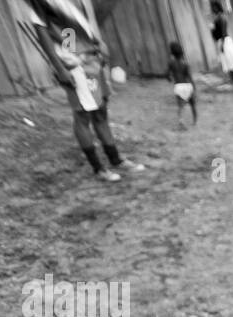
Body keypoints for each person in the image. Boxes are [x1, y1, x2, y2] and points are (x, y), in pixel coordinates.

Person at [24, 1, 145, 183]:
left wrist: (98, 43)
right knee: (83, 115)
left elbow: (73, 27)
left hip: (94, 60)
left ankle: (116, 159)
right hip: (76, 65)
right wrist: (61, 67)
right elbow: (43, 32)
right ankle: (98, 168)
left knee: (101, 112)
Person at [211, 2, 233, 85]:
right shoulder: (218, 18)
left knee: (230, 60)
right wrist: (212, 30)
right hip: (222, 41)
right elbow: (215, 35)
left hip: (225, 40)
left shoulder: (221, 17)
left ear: (218, 7)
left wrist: (222, 43)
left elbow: (223, 32)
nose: (213, 9)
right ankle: (232, 79)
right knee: (228, 61)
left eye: (214, 7)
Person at [167, 41, 197, 127]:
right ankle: (194, 121)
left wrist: (169, 78)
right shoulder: (185, 64)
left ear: (172, 53)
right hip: (188, 86)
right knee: (193, 105)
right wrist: (194, 88)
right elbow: (190, 77)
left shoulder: (171, 63)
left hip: (178, 87)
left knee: (181, 106)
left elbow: (166, 74)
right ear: (182, 52)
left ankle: (181, 119)